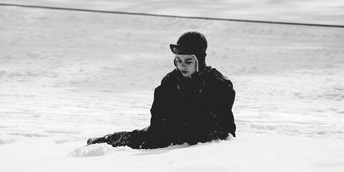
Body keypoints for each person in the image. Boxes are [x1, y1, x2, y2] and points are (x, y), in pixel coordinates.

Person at [87, 31, 236, 149]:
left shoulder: (218, 84)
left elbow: (224, 129)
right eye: (178, 61)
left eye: (188, 61)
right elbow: (158, 121)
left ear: (200, 60)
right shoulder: (171, 81)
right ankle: (104, 142)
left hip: (199, 142)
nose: (182, 66)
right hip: (168, 136)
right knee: (140, 139)